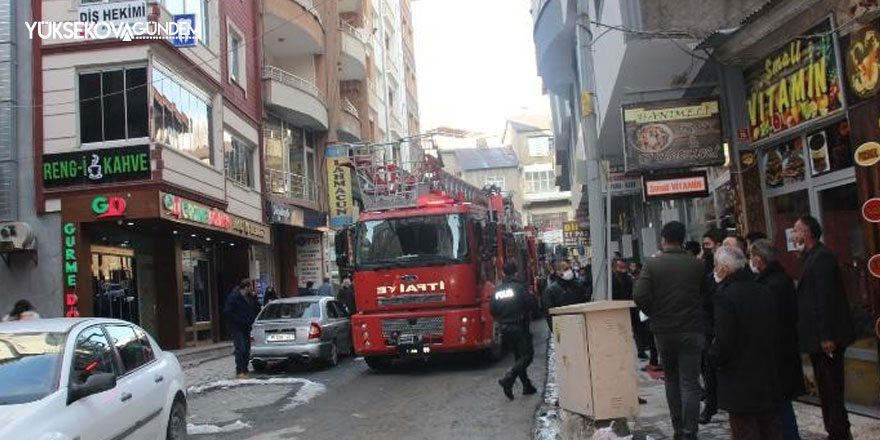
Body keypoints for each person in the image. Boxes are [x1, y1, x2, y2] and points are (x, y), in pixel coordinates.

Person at [634, 221, 706, 440]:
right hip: (692, 329)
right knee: (691, 382)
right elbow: (706, 294)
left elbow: (639, 295)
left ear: (663, 239)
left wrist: (654, 312)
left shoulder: (652, 265)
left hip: (664, 330)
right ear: (683, 239)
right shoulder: (697, 265)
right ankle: (690, 431)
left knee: (672, 380)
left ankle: (677, 429)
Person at [792, 215, 855, 440]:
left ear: (808, 232)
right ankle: (836, 429)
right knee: (825, 388)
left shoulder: (822, 258)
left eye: (797, 229)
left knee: (832, 388)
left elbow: (825, 299)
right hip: (817, 337)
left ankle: (839, 432)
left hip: (827, 337)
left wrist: (827, 336)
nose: (793, 233)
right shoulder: (812, 256)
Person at [710, 246, 783, 440]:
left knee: (744, 428)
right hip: (766, 371)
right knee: (769, 426)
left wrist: (713, 358)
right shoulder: (763, 289)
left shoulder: (725, 296)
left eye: (716, 266)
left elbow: (724, 339)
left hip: (738, 374)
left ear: (724, 269)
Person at [751, 239, 805, 440]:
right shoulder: (781, 279)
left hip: (777, 354)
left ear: (759, 260)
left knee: (780, 405)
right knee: (782, 404)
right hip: (785, 351)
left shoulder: (770, 285)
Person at [491, 262, 538, 400]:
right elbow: (532, 304)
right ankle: (509, 378)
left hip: (505, 328)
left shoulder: (497, 291)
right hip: (519, 326)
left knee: (519, 357)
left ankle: (526, 386)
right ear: (516, 272)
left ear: (504, 273)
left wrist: (502, 319)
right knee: (527, 355)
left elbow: (492, 309)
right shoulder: (519, 288)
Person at [699, 228, 724, 424]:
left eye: (707, 245)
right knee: (709, 368)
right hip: (710, 327)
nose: (705, 249)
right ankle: (711, 404)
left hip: (726, 325)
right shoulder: (705, 269)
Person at [224, 279, 258, 378]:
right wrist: (238, 320)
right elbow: (227, 311)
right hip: (236, 327)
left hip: (246, 326)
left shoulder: (250, 296)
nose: (252, 289)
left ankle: (245, 368)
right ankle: (239, 371)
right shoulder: (234, 297)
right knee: (240, 348)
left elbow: (255, 308)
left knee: (247, 348)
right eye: (251, 286)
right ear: (246, 287)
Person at [542, 259, 589, 329]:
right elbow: (549, 315)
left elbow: (585, 303)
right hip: (564, 328)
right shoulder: (550, 291)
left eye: (570, 268)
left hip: (581, 325)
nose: (570, 271)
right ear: (558, 272)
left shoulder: (578, 285)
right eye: (566, 269)